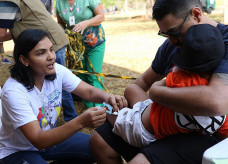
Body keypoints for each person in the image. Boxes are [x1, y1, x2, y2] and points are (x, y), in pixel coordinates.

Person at [90, 0, 228, 163]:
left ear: (196, 14)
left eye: (174, 32)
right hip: (166, 124)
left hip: (206, 136)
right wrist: (121, 102)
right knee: (99, 140)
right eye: (164, 34)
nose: (170, 41)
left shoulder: (224, 41)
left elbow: (217, 102)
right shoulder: (172, 44)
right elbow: (141, 82)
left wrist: (156, 92)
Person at [0, 29, 127, 164]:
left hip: (49, 139)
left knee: (102, 146)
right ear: (24, 60)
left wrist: (108, 97)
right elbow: (37, 139)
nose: (51, 57)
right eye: (41, 53)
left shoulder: (56, 71)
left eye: (51, 50)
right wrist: (81, 122)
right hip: (17, 150)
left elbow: (88, 92)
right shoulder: (13, 91)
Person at [108, 24, 228, 148]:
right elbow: (224, 133)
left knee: (111, 109)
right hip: (154, 116)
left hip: (140, 129)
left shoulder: (179, 77)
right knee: (131, 90)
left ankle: (111, 111)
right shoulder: (222, 109)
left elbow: (156, 86)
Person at [0, 0, 77, 122]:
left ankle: (71, 119)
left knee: (58, 83)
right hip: (50, 41)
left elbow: (0, 34)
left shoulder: (7, 2)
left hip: (45, 46)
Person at [56, 0, 106, 108]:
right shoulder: (59, 2)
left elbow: (101, 16)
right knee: (81, 75)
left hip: (94, 42)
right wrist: (62, 32)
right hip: (75, 46)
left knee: (94, 74)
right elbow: (60, 22)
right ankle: (89, 107)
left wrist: (86, 23)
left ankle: (100, 108)